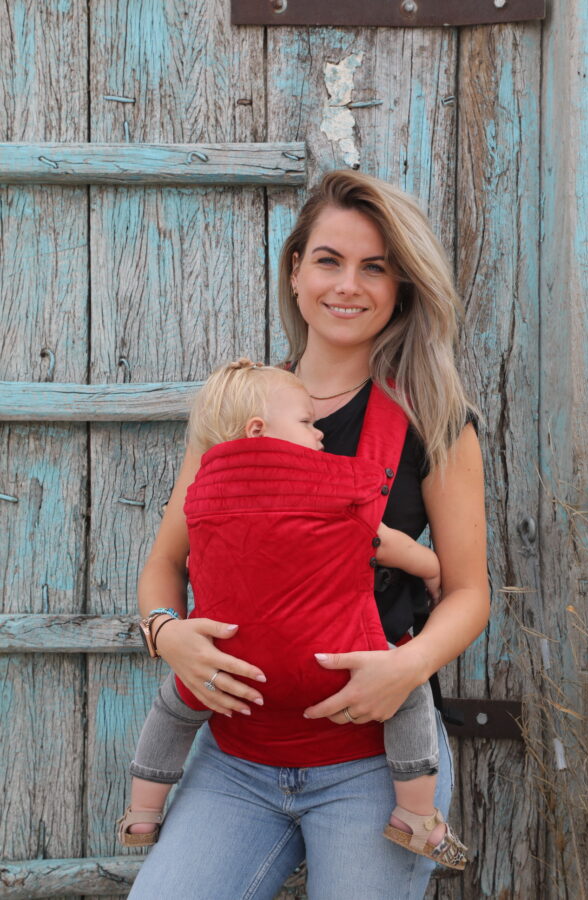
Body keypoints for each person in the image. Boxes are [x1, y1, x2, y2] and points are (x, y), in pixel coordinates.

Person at [128, 170, 489, 900]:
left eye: (375, 267)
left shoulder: (435, 423)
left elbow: (468, 592)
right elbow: (164, 566)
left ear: (401, 286)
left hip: (374, 764)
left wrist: (406, 666)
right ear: (295, 270)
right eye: (328, 260)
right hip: (234, 759)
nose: (347, 285)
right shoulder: (235, 415)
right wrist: (167, 635)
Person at [118, 359, 466, 871]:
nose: (318, 430)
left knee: (173, 710)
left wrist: (170, 630)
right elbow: (380, 541)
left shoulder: (204, 496)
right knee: (410, 695)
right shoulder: (338, 490)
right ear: (258, 431)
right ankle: (416, 816)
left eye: (372, 270)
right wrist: (430, 565)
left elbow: (177, 556)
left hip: (235, 677)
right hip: (335, 675)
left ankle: (142, 813)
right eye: (306, 423)